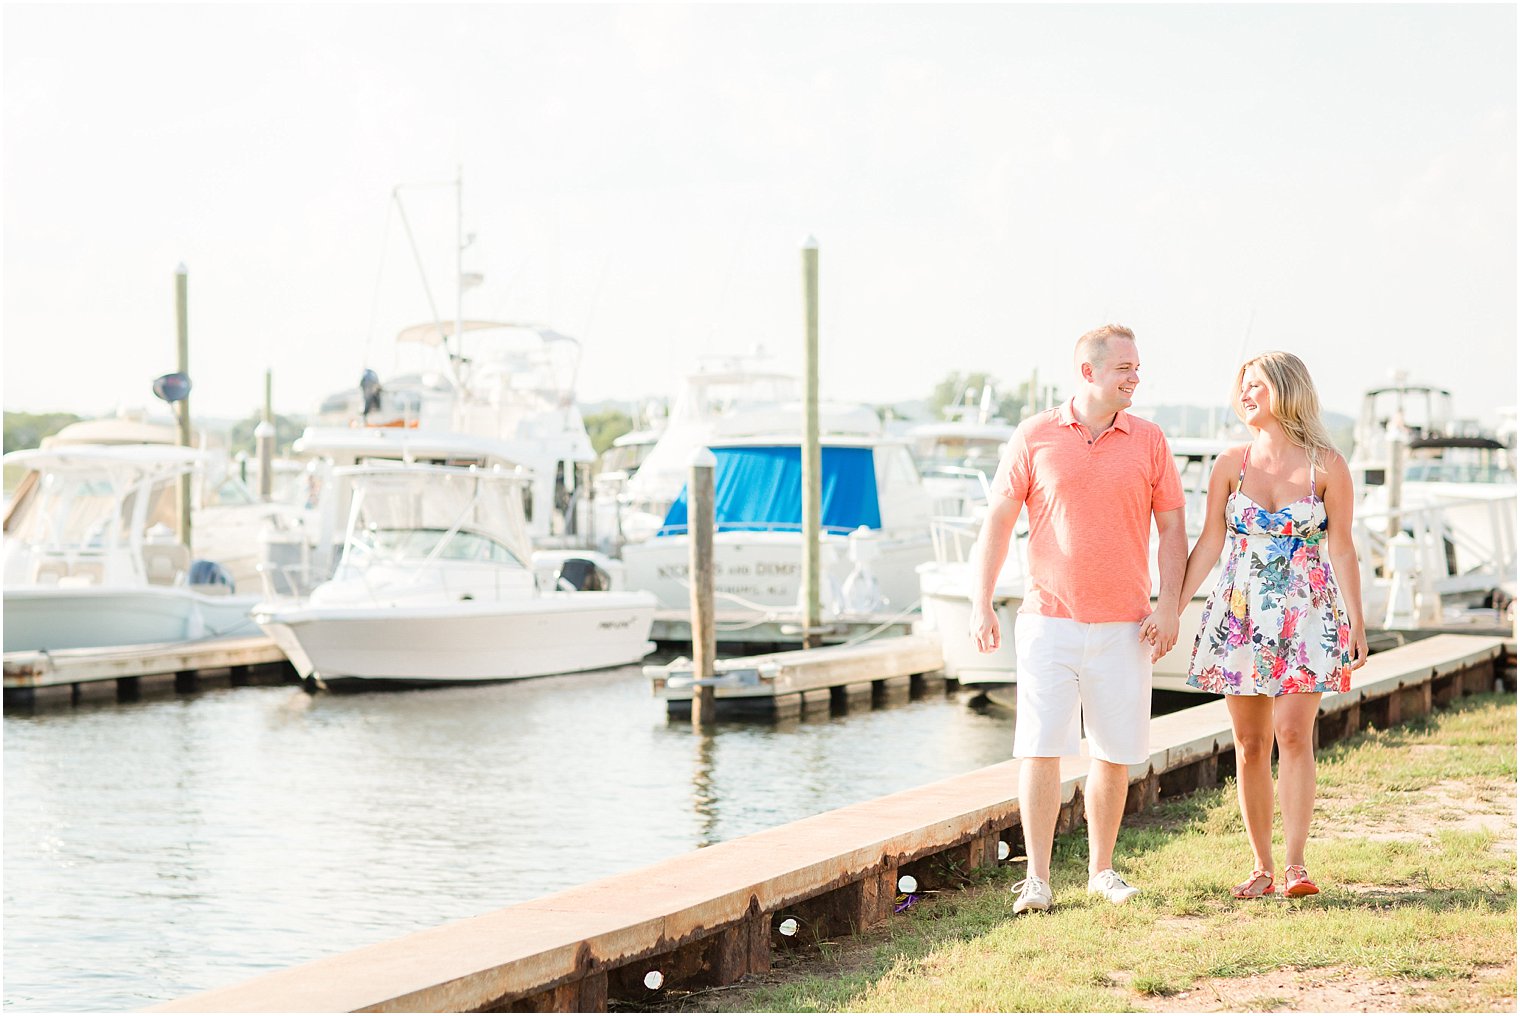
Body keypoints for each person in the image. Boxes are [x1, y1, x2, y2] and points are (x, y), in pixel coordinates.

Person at [971, 324, 1187, 914]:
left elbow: (1172, 529)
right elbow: (997, 521)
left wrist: (1170, 605)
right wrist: (980, 600)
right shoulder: (1034, 435)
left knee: (1114, 753)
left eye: (1138, 367)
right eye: (1125, 368)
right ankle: (1037, 879)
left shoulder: (1149, 440)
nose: (1135, 377)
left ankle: (1102, 871)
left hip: (1127, 624)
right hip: (1048, 620)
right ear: (1088, 372)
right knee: (1039, 749)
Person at [1176, 351, 1368, 899]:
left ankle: (1295, 865)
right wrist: (1172, 607)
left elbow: (1343, 546)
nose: (1245, 395)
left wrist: (1356, 622)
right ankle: (1260, 866)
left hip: (1306, 616)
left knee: (1292, 734)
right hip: (1238, 617)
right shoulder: (1229, 463)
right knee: (1250, 741)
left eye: (1255, 385)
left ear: (1286, 390)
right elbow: (1210, 542)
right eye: (1242, 386)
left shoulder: (1327, 465)